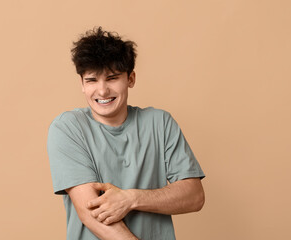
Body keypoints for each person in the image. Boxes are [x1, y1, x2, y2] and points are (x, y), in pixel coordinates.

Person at [47, 26, 205, 240]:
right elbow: (91, 213)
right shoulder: (67, 128)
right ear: (82, 84)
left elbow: (194, 196)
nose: (102, 91)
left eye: (112, 78)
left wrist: (131, 199)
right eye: (92, 80)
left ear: (130, 79)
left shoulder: (160, 122)